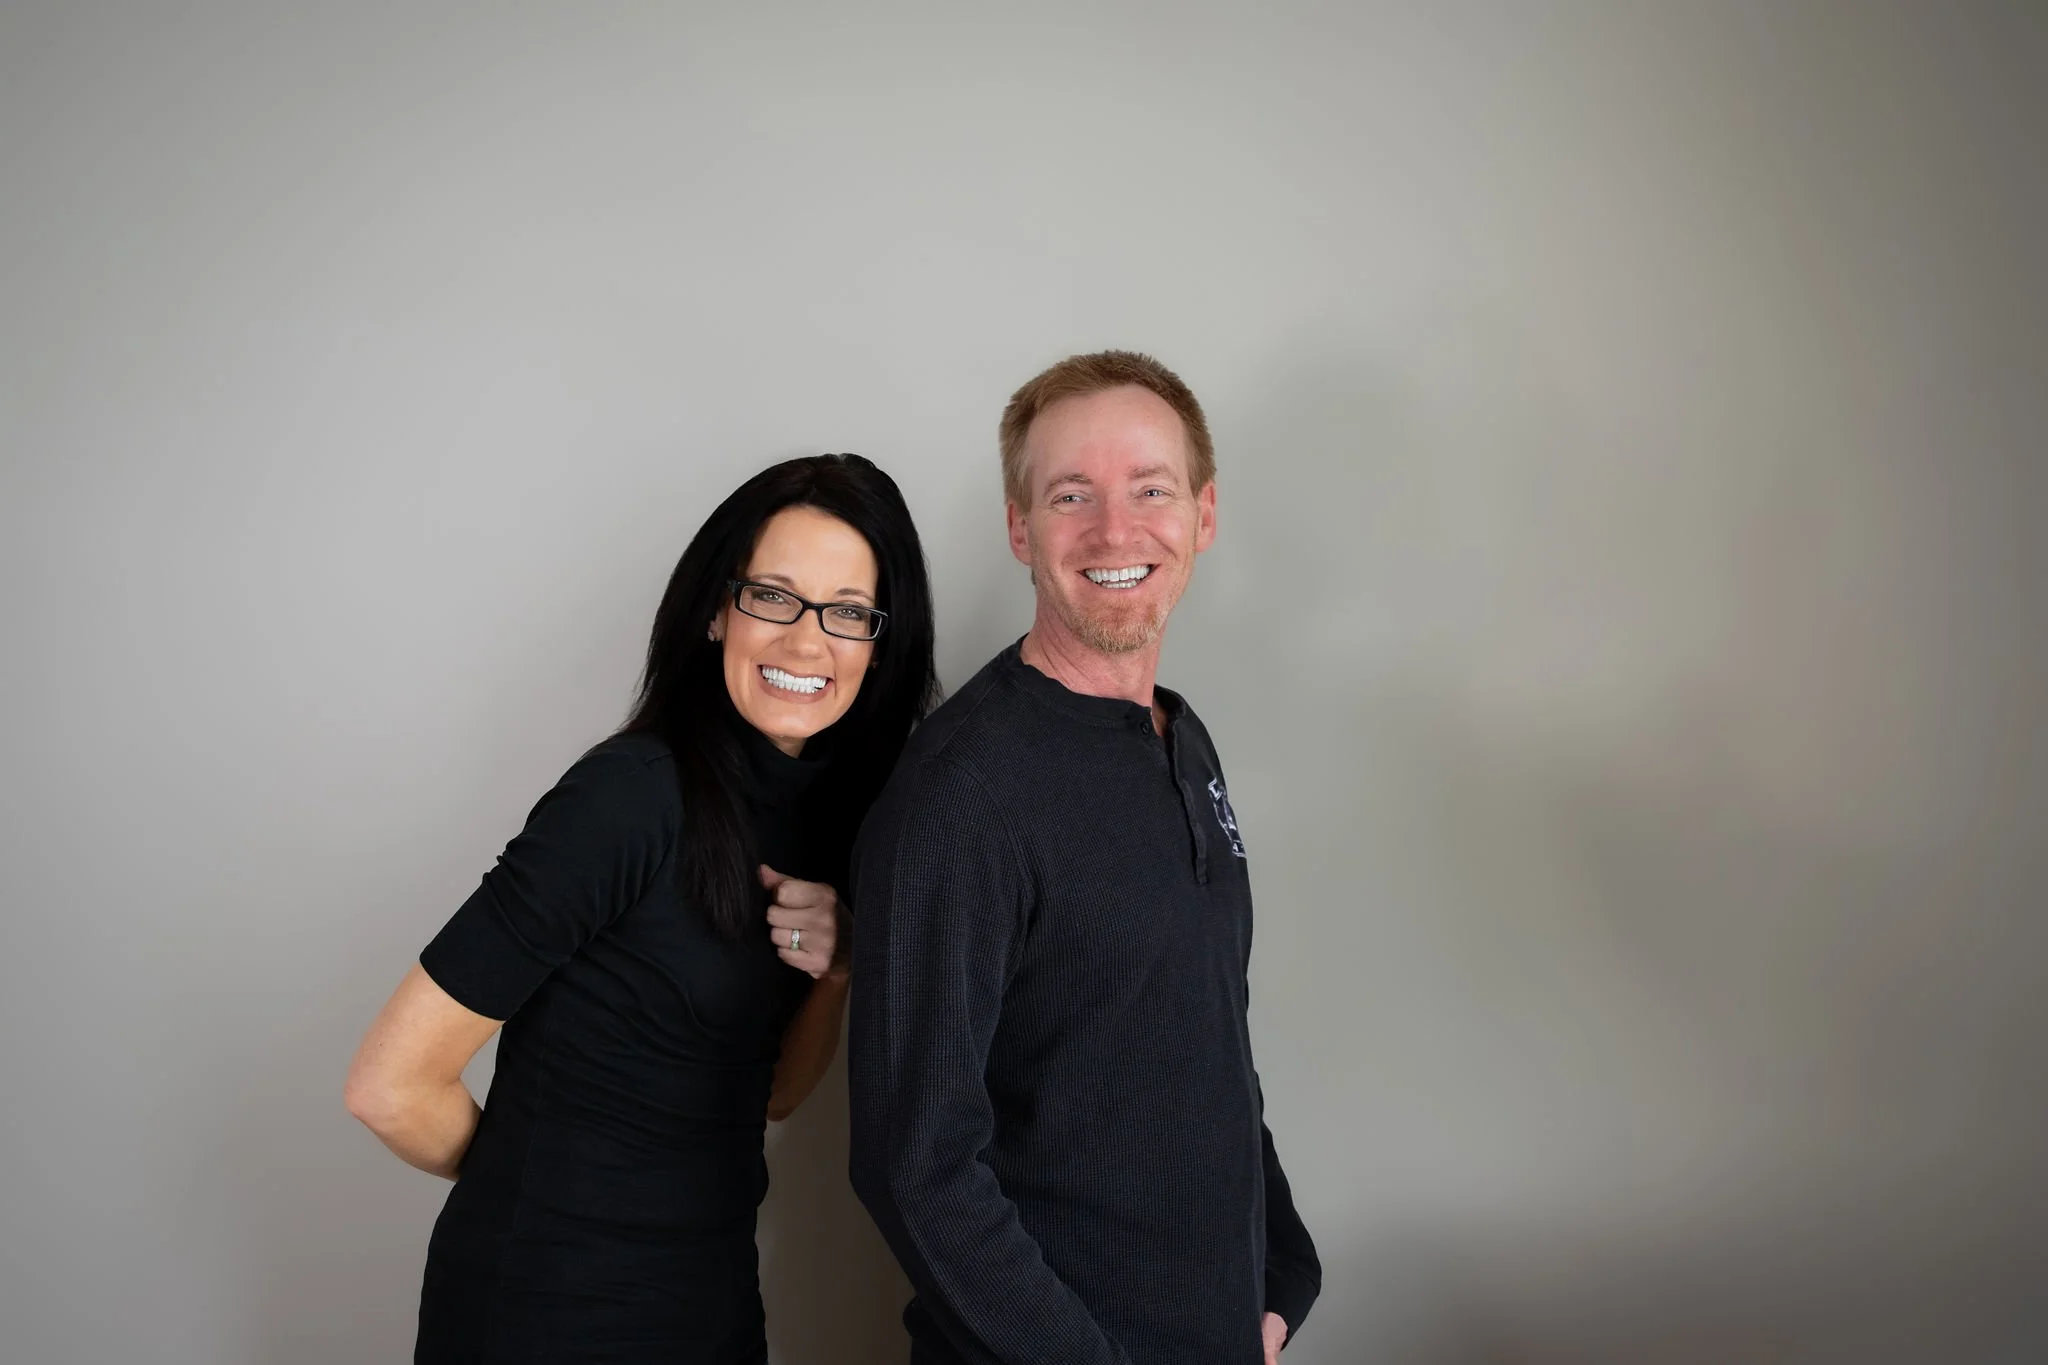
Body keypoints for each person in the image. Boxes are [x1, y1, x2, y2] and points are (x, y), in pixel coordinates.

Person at [345, 454, 939, 1364]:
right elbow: (389, 1086)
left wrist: (839, 970)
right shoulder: (628, 797)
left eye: (848, 611)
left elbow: (773, 1094)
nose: (806, 641)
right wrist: (547, 1191)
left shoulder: (829, 821)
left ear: (879, 644)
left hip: (711, 1307)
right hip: (542, 1316)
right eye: (773, 596)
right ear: (717, 610)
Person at [848, 352, 1321, 1364]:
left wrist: (1278, 1278)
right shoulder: (961, 796)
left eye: (1150, 490)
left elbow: (1202, 1038)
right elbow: (914, 1164)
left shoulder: (1181, 742)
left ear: (1202, 513)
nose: (1115, 530)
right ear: (1021, 529)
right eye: (1071, 495)